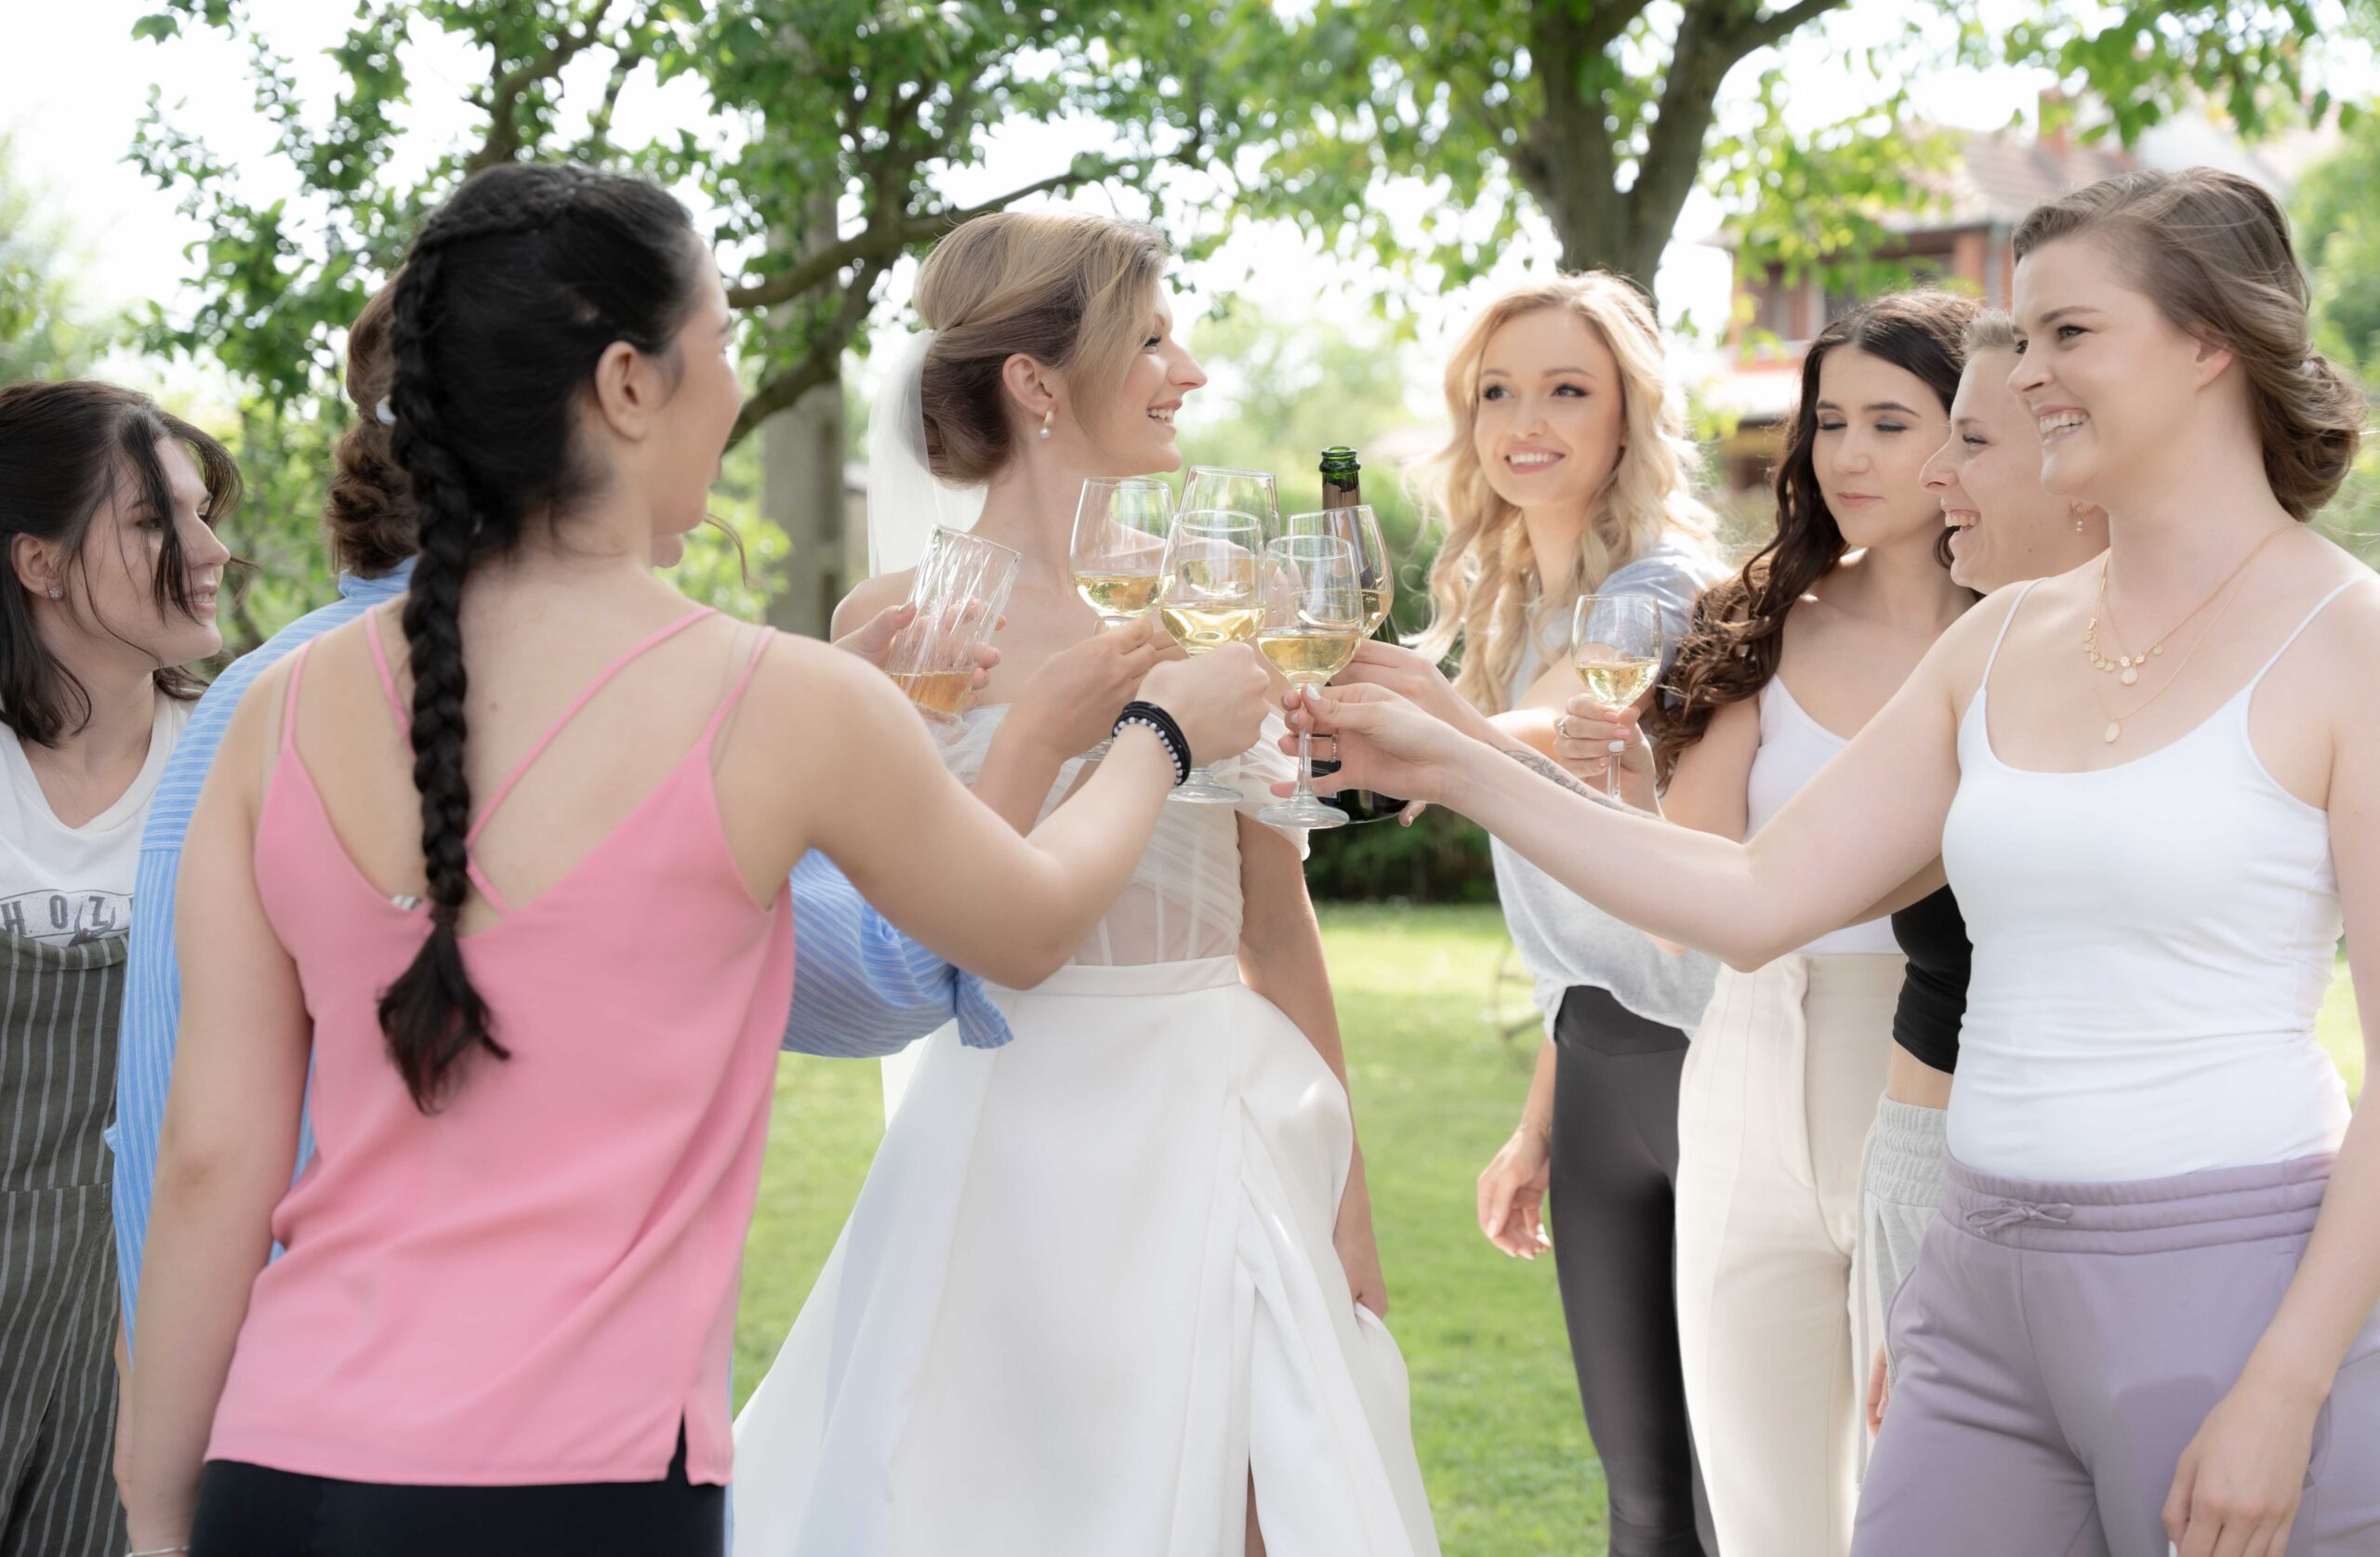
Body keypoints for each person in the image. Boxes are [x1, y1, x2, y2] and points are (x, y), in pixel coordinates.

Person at [118, 162, 1268, 1557]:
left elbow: (210, 1163)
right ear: (628, 385)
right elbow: (1023, 928)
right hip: (586, 1489)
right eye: (721, 343)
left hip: (279, 1469)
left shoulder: (271, 716)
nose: (734, 387)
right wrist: (1159, 732)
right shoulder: (783, 700)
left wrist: (161, 1506)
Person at [1286, 166, 2380, 1556]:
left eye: (2069, 334)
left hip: (2221, 1279)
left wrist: (2288, 1379)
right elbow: (1751, 898)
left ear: (2211, 343)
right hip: (1974, 1286)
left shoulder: (2349, 643)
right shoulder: (1998, 641)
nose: (2025, 375)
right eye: (2023, 338)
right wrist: (1452, 758)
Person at [731, 208, 1439, 1557]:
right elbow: (887, 920)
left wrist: (1347, 1206)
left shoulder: (1225, 597)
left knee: (1265, 1499)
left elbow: (1276, 922)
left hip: (1217, 1114)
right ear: (1035, 381)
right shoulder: (899, 624)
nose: (1190, 372)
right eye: (1153, 340)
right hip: (999, 1133)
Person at [1546, 288, 1976, 1554]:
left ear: (1970, 430)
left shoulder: (2027, 630)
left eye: (1890, 422)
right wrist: (1632, 790)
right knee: (1762, 1510)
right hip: (1745, 1056)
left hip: (1934, 1064)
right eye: (1829, 422)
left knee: (1927, 1498)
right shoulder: (1761, 617)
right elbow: (1694, 904)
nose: (1848, 455)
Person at [1355, 271, 1723, 1555]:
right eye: (1498, 392)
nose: (1526, 422)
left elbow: (1564, 731)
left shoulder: (1668, 593)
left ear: (1629, 415)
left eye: (1568, 390)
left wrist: (1416, 734)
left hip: (1715, 1066)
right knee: (1640, 1495)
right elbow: (1585, 938)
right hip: (1600, 1070)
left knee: (1736, 1495)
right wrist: (1535, 1126)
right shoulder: (1508, 615)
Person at [1855, 307, 2111, 1436]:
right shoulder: (1980, 657)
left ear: (2078, 462)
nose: (1931, 473)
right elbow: (1765, 892)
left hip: (2096, 1214)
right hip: (1936, 1172)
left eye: (1970, 440)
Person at [0, 379, 234, 1557]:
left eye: (202, 513)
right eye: (153, 521)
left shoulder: (239, 768)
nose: (210, 551)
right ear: (37, 563)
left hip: (156, 1332)